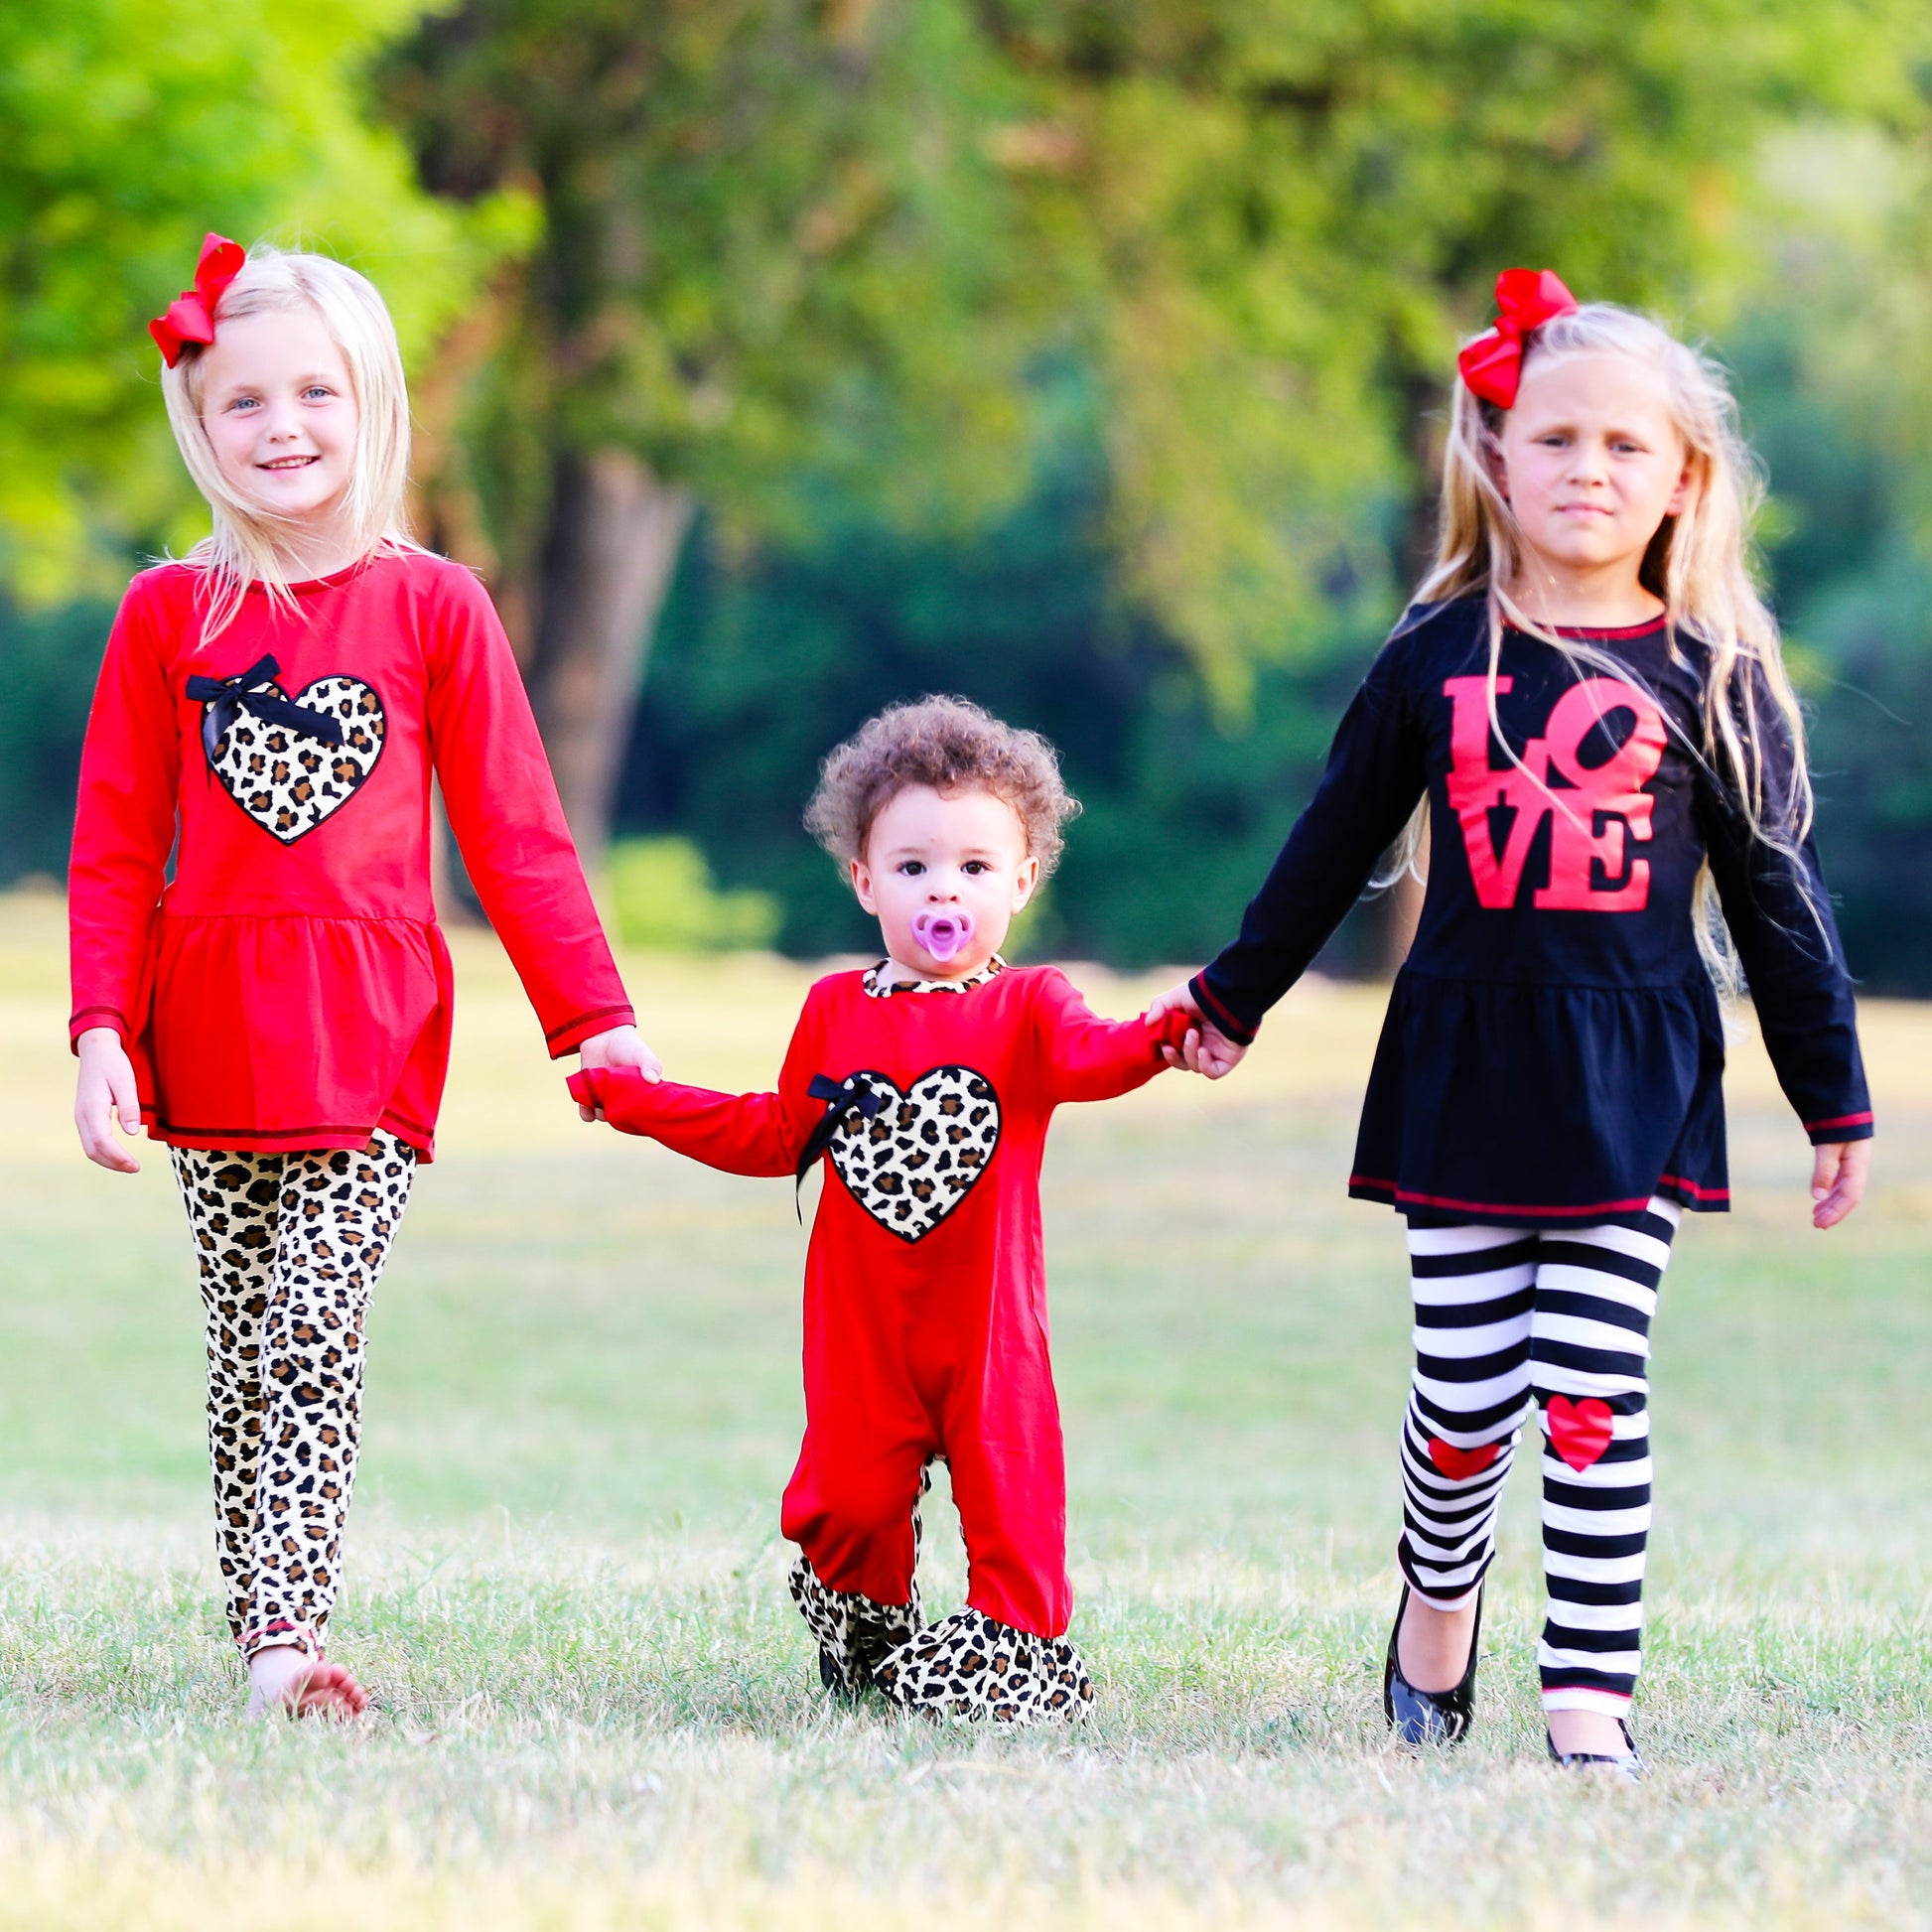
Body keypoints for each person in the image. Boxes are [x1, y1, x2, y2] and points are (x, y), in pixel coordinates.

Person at [1153, 270, 1872, 1778]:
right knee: (1466, 1402)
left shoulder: (1713, 678)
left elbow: (1779, 900)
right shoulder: (1433, 653)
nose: (1585, 469)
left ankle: (1585, 1694)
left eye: (1622, 444)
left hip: (1631, 1077)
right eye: (1553, 438)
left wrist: (1833, 1101)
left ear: (1682, 478)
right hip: (1464, 1069)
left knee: (1593, 1392)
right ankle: (1437, 1596)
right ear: (1491, 457)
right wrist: (1233, 996)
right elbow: (1330, 841)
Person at [68, 234, 656, 1720]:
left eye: (313, 392)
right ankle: (263, 1627)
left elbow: (518, 833)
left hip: (371, 1033)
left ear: (372, 400)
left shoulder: (436, 605)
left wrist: (592, 1019)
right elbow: (116, 845)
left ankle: (288, 1635)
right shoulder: (167, 613)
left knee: (314, 1322)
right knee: (244, 1340)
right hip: (209, 1028)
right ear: (200, 422)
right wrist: (99, 1031)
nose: (282, 426)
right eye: (244, 400)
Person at [572, 697, 1183, 1723]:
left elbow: (1096, 1057)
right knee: (849, 1503)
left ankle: (1008, 1659)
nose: (943, 888)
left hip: (987, 1331)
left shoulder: (1031, 1006)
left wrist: (1166, 1033)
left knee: (1013, 1502)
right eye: (912, 866)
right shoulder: (833, 1011)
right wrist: (640, 1102)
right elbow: (776, 1132)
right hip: (863, 1329)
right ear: (863, 880)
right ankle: (867, 1643)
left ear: (1023, 880)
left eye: (975, 867)